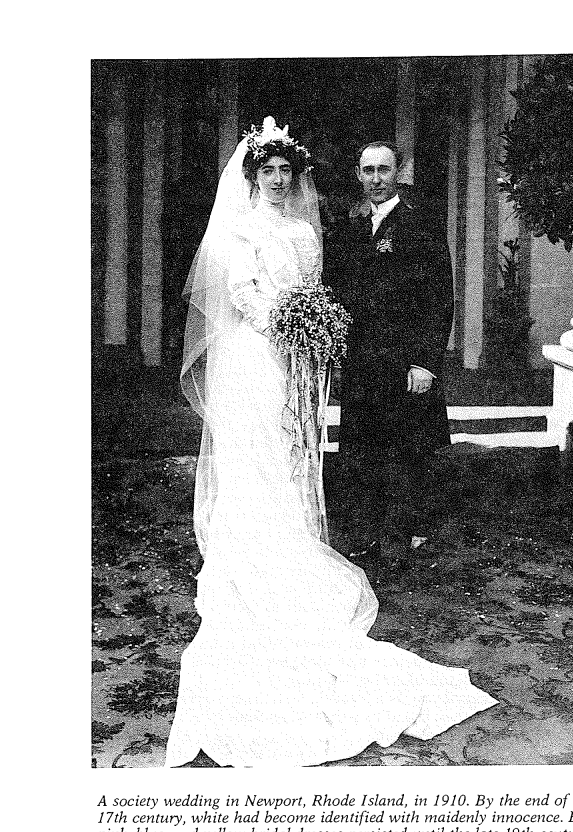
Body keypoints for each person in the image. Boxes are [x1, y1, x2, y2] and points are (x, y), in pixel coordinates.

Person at [165, 117, 495, 768]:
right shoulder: (239, 229)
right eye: (270, 172)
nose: (281, 181)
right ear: (254, 176)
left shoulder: (311, 228)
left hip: (300, 358)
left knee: (297, 452)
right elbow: (240, 292)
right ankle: (251, 554)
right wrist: (285, 326)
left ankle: (345, 536)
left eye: (288, 171)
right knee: (258, 451)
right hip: (255, 354)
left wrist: (310, 330)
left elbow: (336, 287)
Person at [321, 141, 453, 578]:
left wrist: (425, 361)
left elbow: (439, 298)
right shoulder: (349, 227)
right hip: (361, 360)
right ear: (358, 174)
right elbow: (337, 295)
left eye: (384, 169)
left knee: (406, 448)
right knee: (362, 448)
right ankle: (368, 535)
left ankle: (400, 539)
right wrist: (337, 356)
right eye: (367, 170)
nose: (375, 178)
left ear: (398, 173)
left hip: (404, 361)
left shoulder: (420, 225)